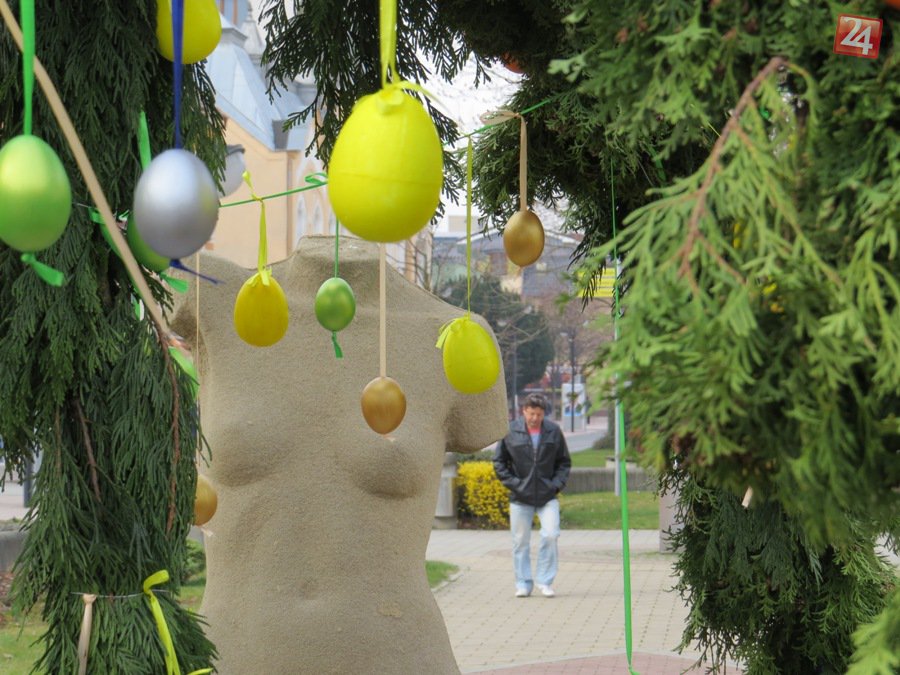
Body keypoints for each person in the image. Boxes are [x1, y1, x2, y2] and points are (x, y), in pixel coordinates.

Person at [492, 393, 571, 598]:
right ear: (524, 411)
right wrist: (515, 485)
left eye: (539, 414)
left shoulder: (553, 431)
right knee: (520, 542)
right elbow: (499, 462)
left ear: (544, 414)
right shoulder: (511, 431)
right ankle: (523, 583)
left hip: (547, 496)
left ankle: (545, 581)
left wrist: (555, 485)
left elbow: (564, 462)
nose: (535, 418)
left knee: (551, 534)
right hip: (520, 497)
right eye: (531, 413)